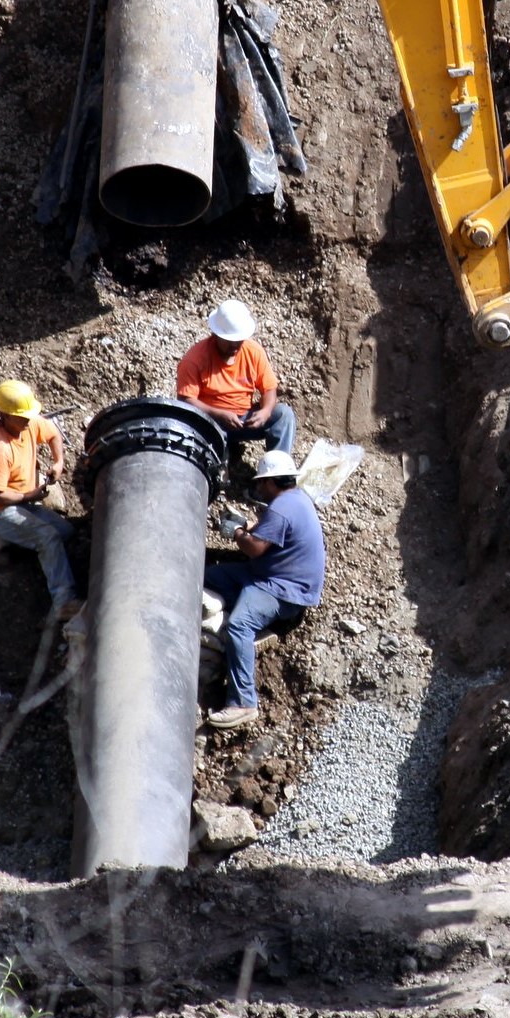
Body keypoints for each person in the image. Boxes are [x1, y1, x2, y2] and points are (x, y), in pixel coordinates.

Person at [202, 449, 325, 730]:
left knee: (239, 625)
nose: (258, 488)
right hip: (269, 575)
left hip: (283, 590)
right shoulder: (296, 499)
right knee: (212, 577)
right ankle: (243, 616)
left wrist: (236, 533)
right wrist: (246, 525)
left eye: (260, 483)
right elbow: (266, 533)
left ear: (271, 482)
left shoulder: (282, 508)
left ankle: (244, 702)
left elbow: (255, 548)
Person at [0, 379, 82, 622]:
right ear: (5, 416)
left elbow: (53, 434)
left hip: (22, 503)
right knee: (48, 537)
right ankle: (63, 602)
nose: (29, 421)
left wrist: (58, 463)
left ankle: (22, 548)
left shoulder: (28, 424)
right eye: (22, 417)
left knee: (66, 532)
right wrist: (29, 496)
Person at [176, 299, 295, 456]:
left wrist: (265, 411)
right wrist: (219, 414)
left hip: (244, 419)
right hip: (210, 422)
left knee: (283, 415)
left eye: (239, 341)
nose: (235, 346)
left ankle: (277, 471)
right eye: (229, 341)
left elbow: (269, 388)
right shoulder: (195, 359)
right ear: (215, 334)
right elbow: (185, 401)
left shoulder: (253, 352)